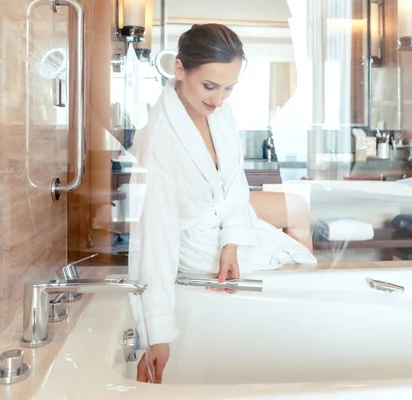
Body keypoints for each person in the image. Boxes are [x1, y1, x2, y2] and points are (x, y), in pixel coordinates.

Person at [127, 23, 317, 384]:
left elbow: (233, 183)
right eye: (210, 86)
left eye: (229, 88)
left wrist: (232, 241)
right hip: (197, 242)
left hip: (225, 224)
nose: (219, 99)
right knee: (296, 262)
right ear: (180, 69)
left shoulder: (221, 114)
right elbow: (157, 235)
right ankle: (299, 333)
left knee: (299, 258)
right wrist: (157, 333)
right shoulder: (160, 139)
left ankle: (302, 326)